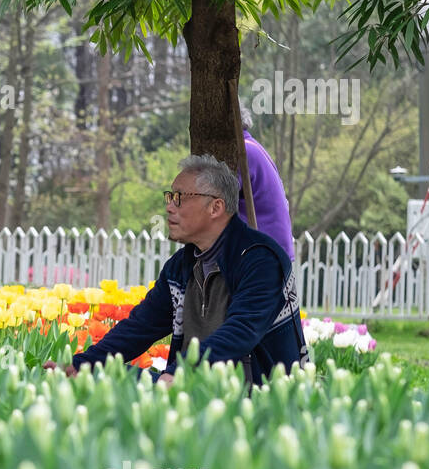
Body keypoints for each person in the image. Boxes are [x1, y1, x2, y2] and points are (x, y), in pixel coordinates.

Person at [46, 154, 307, 387]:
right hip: (192, 383)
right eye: (169, 197)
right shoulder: (181, 265)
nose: (169, 206)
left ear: (215, 207)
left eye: (179, 198)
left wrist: (180, 372)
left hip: (260, 392)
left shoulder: (260, 259)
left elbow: (241, 331)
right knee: (98, 376)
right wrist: (82, 364)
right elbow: (141, 326)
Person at [236, 102, 296, 263]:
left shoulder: (242, 151)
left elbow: (215, 203)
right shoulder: (252, 146)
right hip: (273, 251)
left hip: (264, 255)